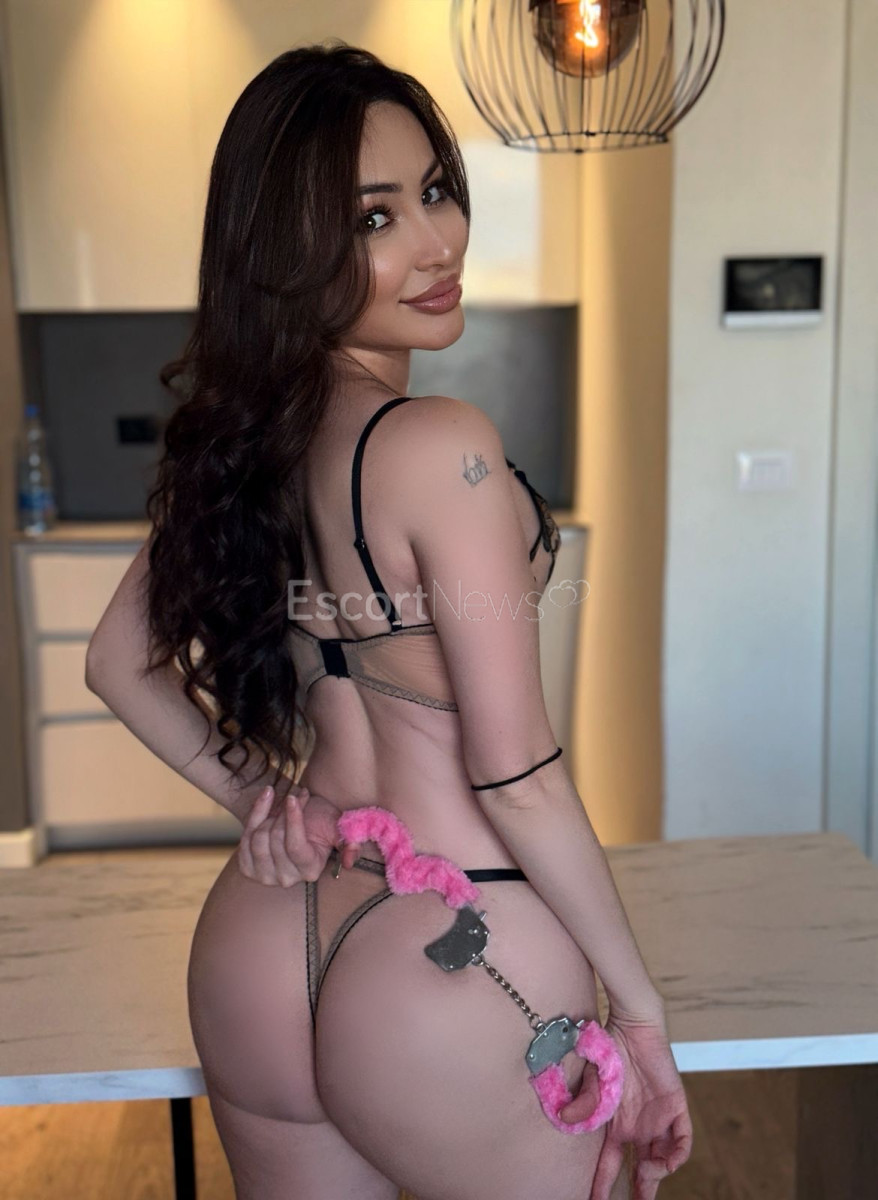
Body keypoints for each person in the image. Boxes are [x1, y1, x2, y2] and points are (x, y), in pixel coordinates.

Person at [84, 40, 692, 1200]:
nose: (436, 241)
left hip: (266, 934)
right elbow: (516, 779)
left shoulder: (250, 439)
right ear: (288, 255)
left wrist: (260, 801)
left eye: (435, 191)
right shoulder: (438, 444)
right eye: (374, 218)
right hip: (457, 938)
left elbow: (117, 664)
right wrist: (642, 1012)